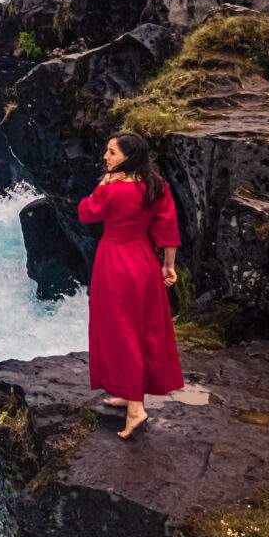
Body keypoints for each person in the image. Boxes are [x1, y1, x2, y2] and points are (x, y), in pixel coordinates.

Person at [77, 131, 184, 440]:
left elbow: (86, 214)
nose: (106, 157)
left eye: (111, 153)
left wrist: (101, 186)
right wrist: (169, 265)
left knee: (120, 333)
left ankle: (135, 408)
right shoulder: (156, 185)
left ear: (128, 157)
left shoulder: (112, 189)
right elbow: (167, 227)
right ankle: (129, 391)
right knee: (141, 329)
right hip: (144, 262)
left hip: (114, 263)